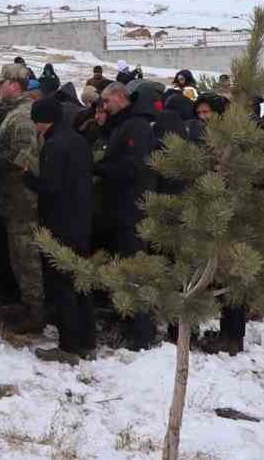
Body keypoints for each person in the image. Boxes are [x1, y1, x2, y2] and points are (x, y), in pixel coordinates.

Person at [25, 97, 95, 361]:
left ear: (44, 120)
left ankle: (68, 346)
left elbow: (50, 187)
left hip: (59, 223)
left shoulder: (53, 146)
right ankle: (87, 340)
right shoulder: (78, 140)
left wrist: (27, 178)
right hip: (82, 221)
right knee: (81, 281)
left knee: (62, 283)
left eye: (36, 121)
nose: (36, 126)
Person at [95, 81, 157, 349]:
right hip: (121, 208)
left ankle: (142, 332)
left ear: (120, 97)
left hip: (134, 208)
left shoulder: (136, 126)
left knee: (136, 270)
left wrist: (101, 168)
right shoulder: (123, 124)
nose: (104, 108)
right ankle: (129, 320)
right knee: (125, 268)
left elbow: (134, 168)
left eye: (107, 102)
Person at [0, 63, 43, 324]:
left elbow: (25, 158)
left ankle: (34, 309)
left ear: (13, 86)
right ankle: (28, 304)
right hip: (15, 198)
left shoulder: (22, 116)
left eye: (2, 84)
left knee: (26, 253)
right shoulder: (15, 113)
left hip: (22, 198)